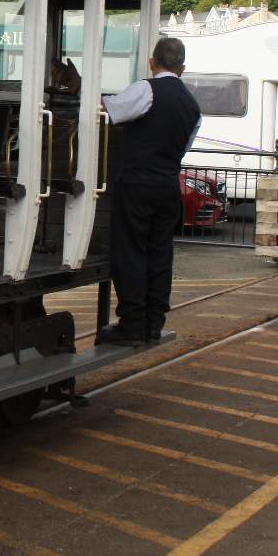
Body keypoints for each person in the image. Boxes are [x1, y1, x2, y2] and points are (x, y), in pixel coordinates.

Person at [96, 37, 201, 345]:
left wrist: (84, 89)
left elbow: (111, 109)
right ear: (182, 68)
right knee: (159, 254)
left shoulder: (146, 89)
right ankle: (153, 324)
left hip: (137, 183)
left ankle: (131, 324)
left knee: (130, 252)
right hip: (169, 186)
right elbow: (182, 148)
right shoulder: (193, 106)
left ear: (152, 63)